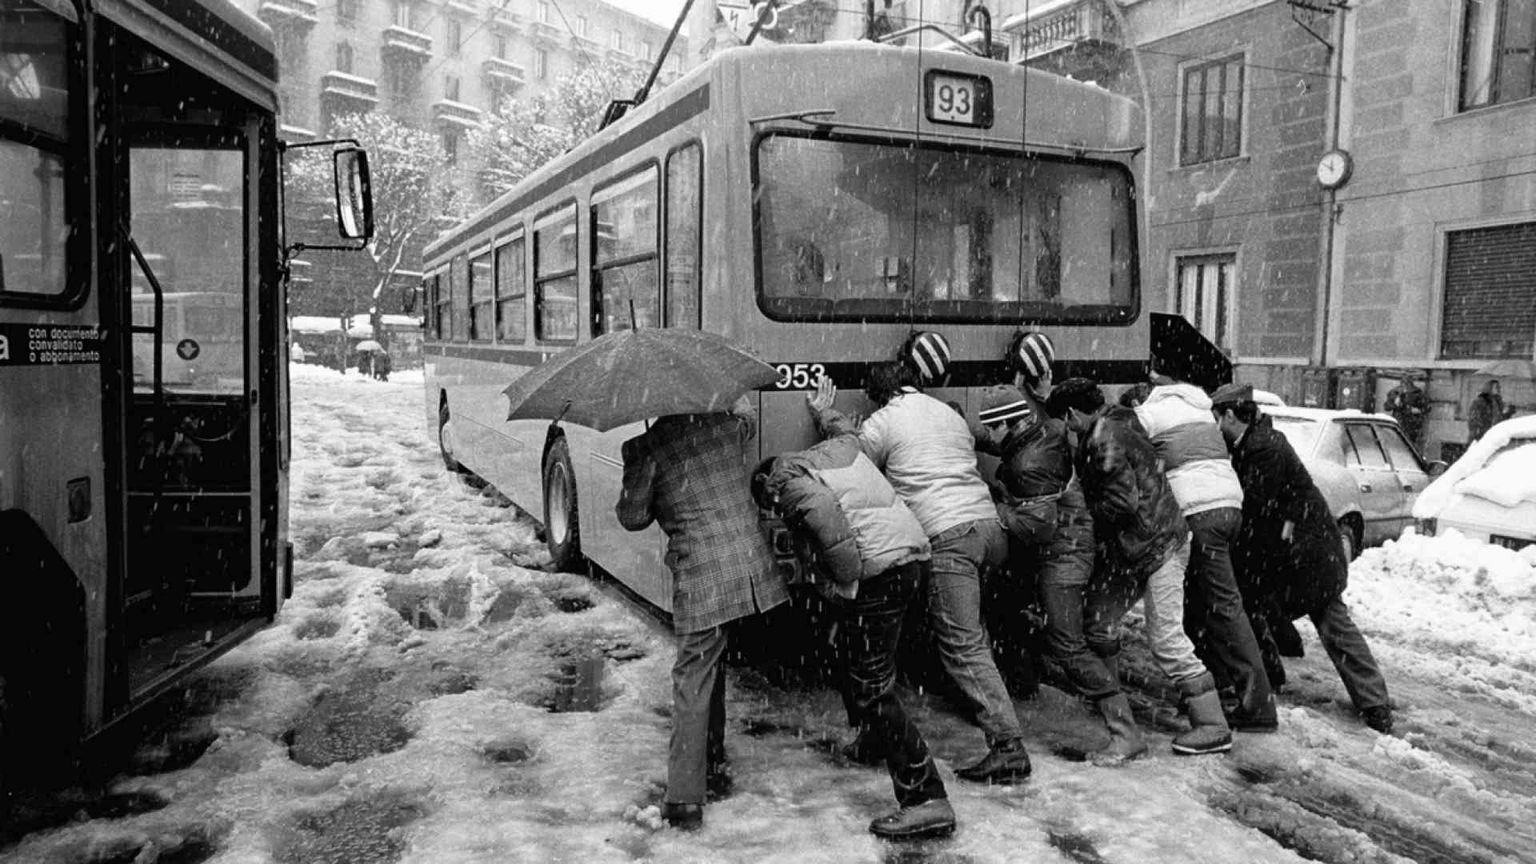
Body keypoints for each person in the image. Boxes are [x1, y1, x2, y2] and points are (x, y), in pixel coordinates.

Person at [809, 360, 1032, 785]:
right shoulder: (945, 412)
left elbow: (849, 455)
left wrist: (826, 415)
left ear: (879, 396)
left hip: (949, 535)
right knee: (969, 632)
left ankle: (1008, 747)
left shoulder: (884, 421)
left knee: (962, 644)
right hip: (989, 528)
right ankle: (885, 732)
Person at [753, 436, 954, 840]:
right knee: (856, 652)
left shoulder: (787, 484)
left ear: (768, 486)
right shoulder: (832, 456)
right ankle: (873, 743)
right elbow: (848, 436)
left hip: (879, 573)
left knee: (872, 687)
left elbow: (830, 529)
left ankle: (926, 799)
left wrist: (844, 582)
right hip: (910, 559)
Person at [616, 398, 791, 831]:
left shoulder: (646, 447)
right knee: (711, 664)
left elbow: (632, 518)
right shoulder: (728, 429)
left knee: (691, 677)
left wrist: (645, 473)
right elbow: (747, 420)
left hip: (703, 577)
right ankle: (710, 755)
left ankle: (684, 799)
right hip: (749, 569)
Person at [1047, 378, 1234, 756]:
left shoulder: (1104, 438)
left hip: (1156, 547)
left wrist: (1081, 512)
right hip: (1140, 545)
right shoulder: (1121, 419)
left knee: (1166, 640)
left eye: (1066, 422)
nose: (1067, 430)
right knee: (1099, 619)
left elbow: (1122, 502)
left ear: (1072, 414)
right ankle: (1109, 700)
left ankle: (1213, 725)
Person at [975, 384, 1148, 764]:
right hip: (1068, 546)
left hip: (1065, 555)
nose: (987, 436)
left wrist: (994, 508)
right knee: (1023, 614)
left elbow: (1038, 525)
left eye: (990, 428)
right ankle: (1028, 685)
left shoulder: (1030, 464)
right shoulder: (1043, 432)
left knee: (1067, 644)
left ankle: (1125, 733)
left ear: (1008, 424)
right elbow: (1006, 445)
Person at [1210, 383, 1394, 734]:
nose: (1217, 426)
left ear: (1231, 416)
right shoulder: (1253, 443)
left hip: (1308, 554)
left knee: (1333, 624)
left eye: (1218, 418)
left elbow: (1257, 510)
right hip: (1291, 553)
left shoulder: (1264, 448)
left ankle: (1375, 704)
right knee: (1255, 607)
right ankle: (1271, 676)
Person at [1136, 376, 1277, 732]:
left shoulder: (1151, 414)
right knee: (1206, 605)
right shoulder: (1200, 410)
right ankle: (1221, 688)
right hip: (1229, 506)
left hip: (1199, 511)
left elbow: (1125, 447)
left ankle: (1257, 705)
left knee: (1224, 606)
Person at [1383, 374, 1428, 449]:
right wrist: (1395, 404)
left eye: (1407, 382)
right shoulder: (1395, 392)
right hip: (1399, 421)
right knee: (1397, 441)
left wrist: (1417, 410)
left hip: (1411, 423)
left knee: (1409, 443)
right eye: (1404, 382)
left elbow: (1425, 408)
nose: (1405, 385)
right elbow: (1386, 406)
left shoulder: (1417, 393)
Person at [1467, 379, 1512, 443]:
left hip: (1494, 435)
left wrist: (1508, 413)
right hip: (1482, 435)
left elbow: (1500, 419)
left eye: (1499, 387)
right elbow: (1473, 419)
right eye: (1497, 387)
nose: (1499, 389)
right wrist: (1479, 431)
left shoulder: (1498, 402)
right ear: (1489, 388)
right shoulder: (1480, 401)